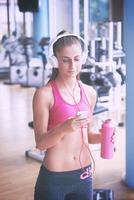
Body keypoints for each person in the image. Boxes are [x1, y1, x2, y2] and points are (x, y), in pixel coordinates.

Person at [33, 30, 102, 200]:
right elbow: (41, 144)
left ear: (83, 59)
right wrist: (63, 128)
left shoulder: (90, 93)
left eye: (77, 59)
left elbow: (88, 136)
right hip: (55, 179)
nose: (72, 66)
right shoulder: (44, 94)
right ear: (55, 61)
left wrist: (104, 137)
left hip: (84, 176)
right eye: (65, 60)